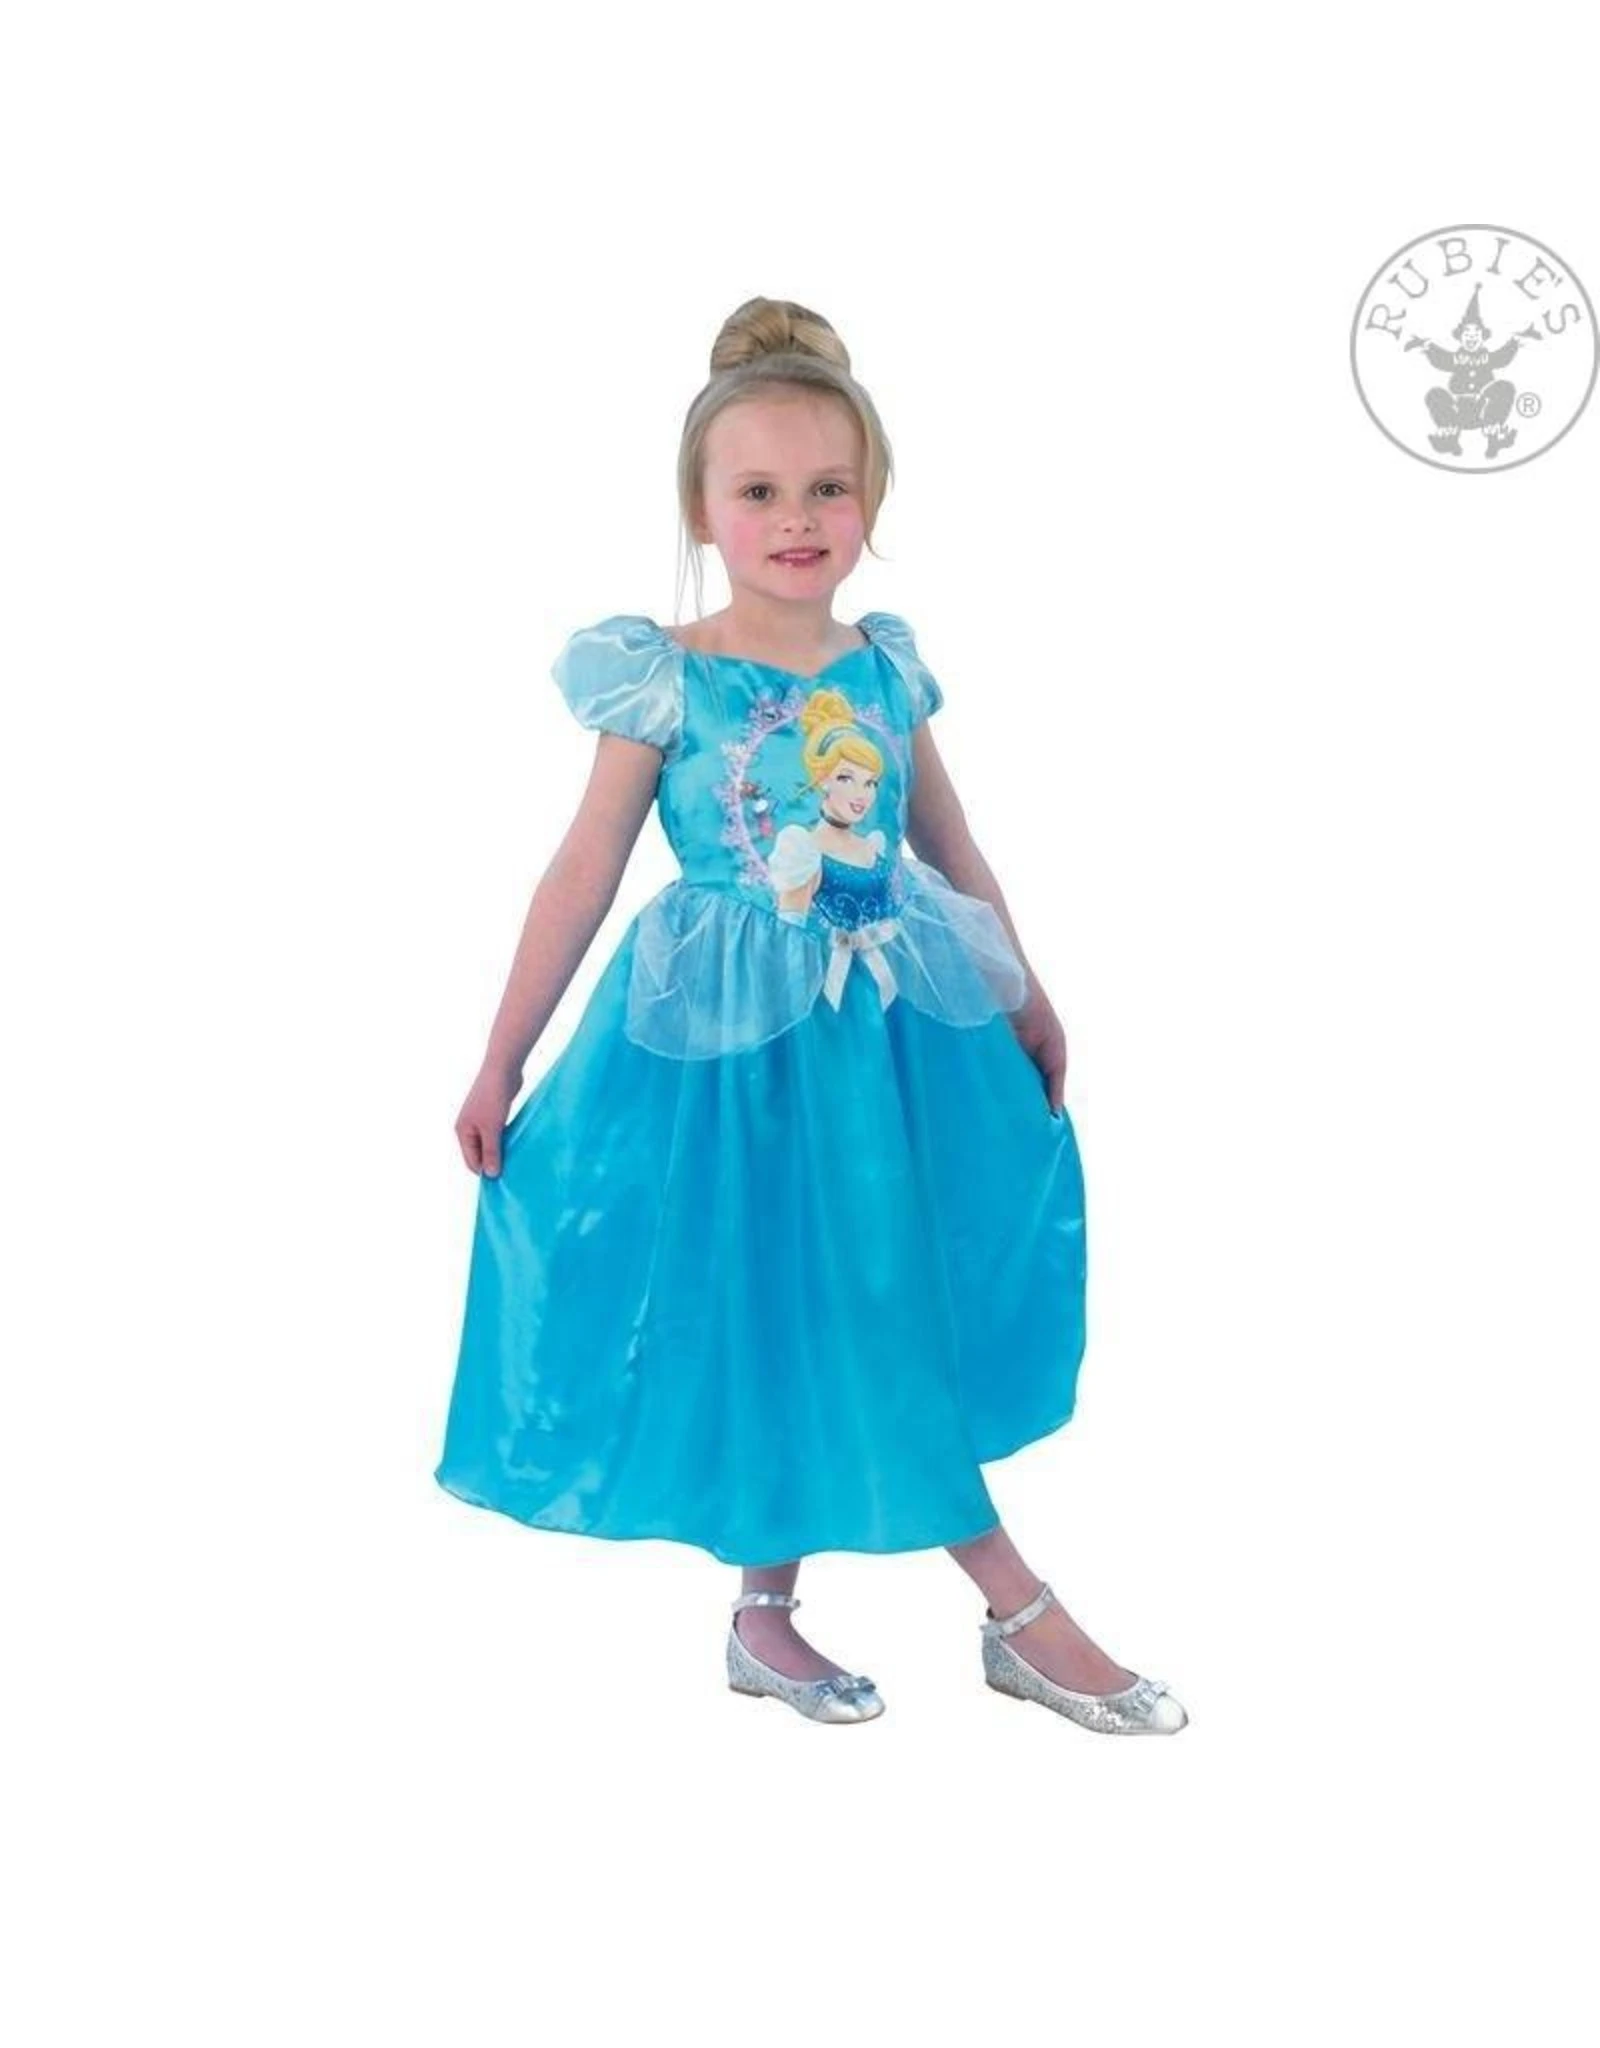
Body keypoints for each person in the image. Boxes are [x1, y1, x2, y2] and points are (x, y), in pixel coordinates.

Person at [433, 295, 1188, 1735]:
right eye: (761, 491)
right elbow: (583, 870)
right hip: (721, 1058)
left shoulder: (885, 668)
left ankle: (767, 1619)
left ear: (872, 502)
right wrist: (500, 1057)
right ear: (702, 508)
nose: (797, 519)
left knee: (876, 1288)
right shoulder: (664, 675)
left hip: (887, 1041)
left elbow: (949, 845)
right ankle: (1013, 1609)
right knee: (778, 1294)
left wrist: (1027, 993)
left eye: (829, 488)